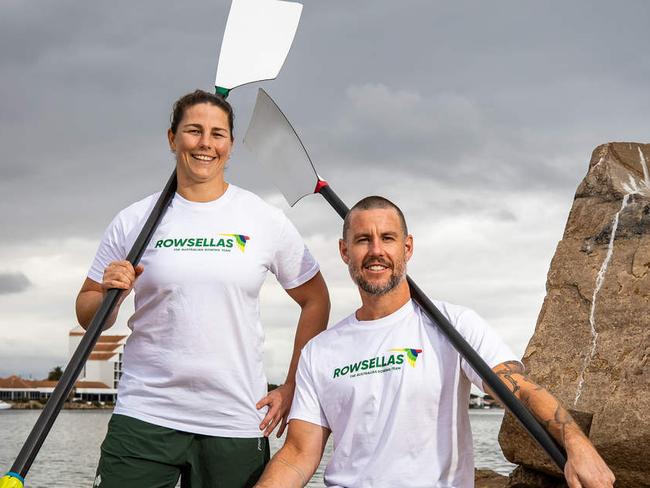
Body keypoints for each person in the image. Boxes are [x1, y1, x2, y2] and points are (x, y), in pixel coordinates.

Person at [254, 196, 615, 488]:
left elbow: (518, 389)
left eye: (388, 238)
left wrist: (577, 444)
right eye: (363, 240)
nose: (376, 250)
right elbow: (299, 453)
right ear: (345, 251)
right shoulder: (321, 351)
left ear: (407, 248)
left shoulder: (454, 326)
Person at [75, 89, 330, 488]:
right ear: (172, 138)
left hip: (234, 417)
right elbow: (88, 312)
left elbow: (315, 298)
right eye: (194, 131)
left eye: (218, 134)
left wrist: (293, 383)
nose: (206, 143)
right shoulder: (134, 220)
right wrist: (112, 295)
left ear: (230, 145)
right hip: (146, 414)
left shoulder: (264, 219)